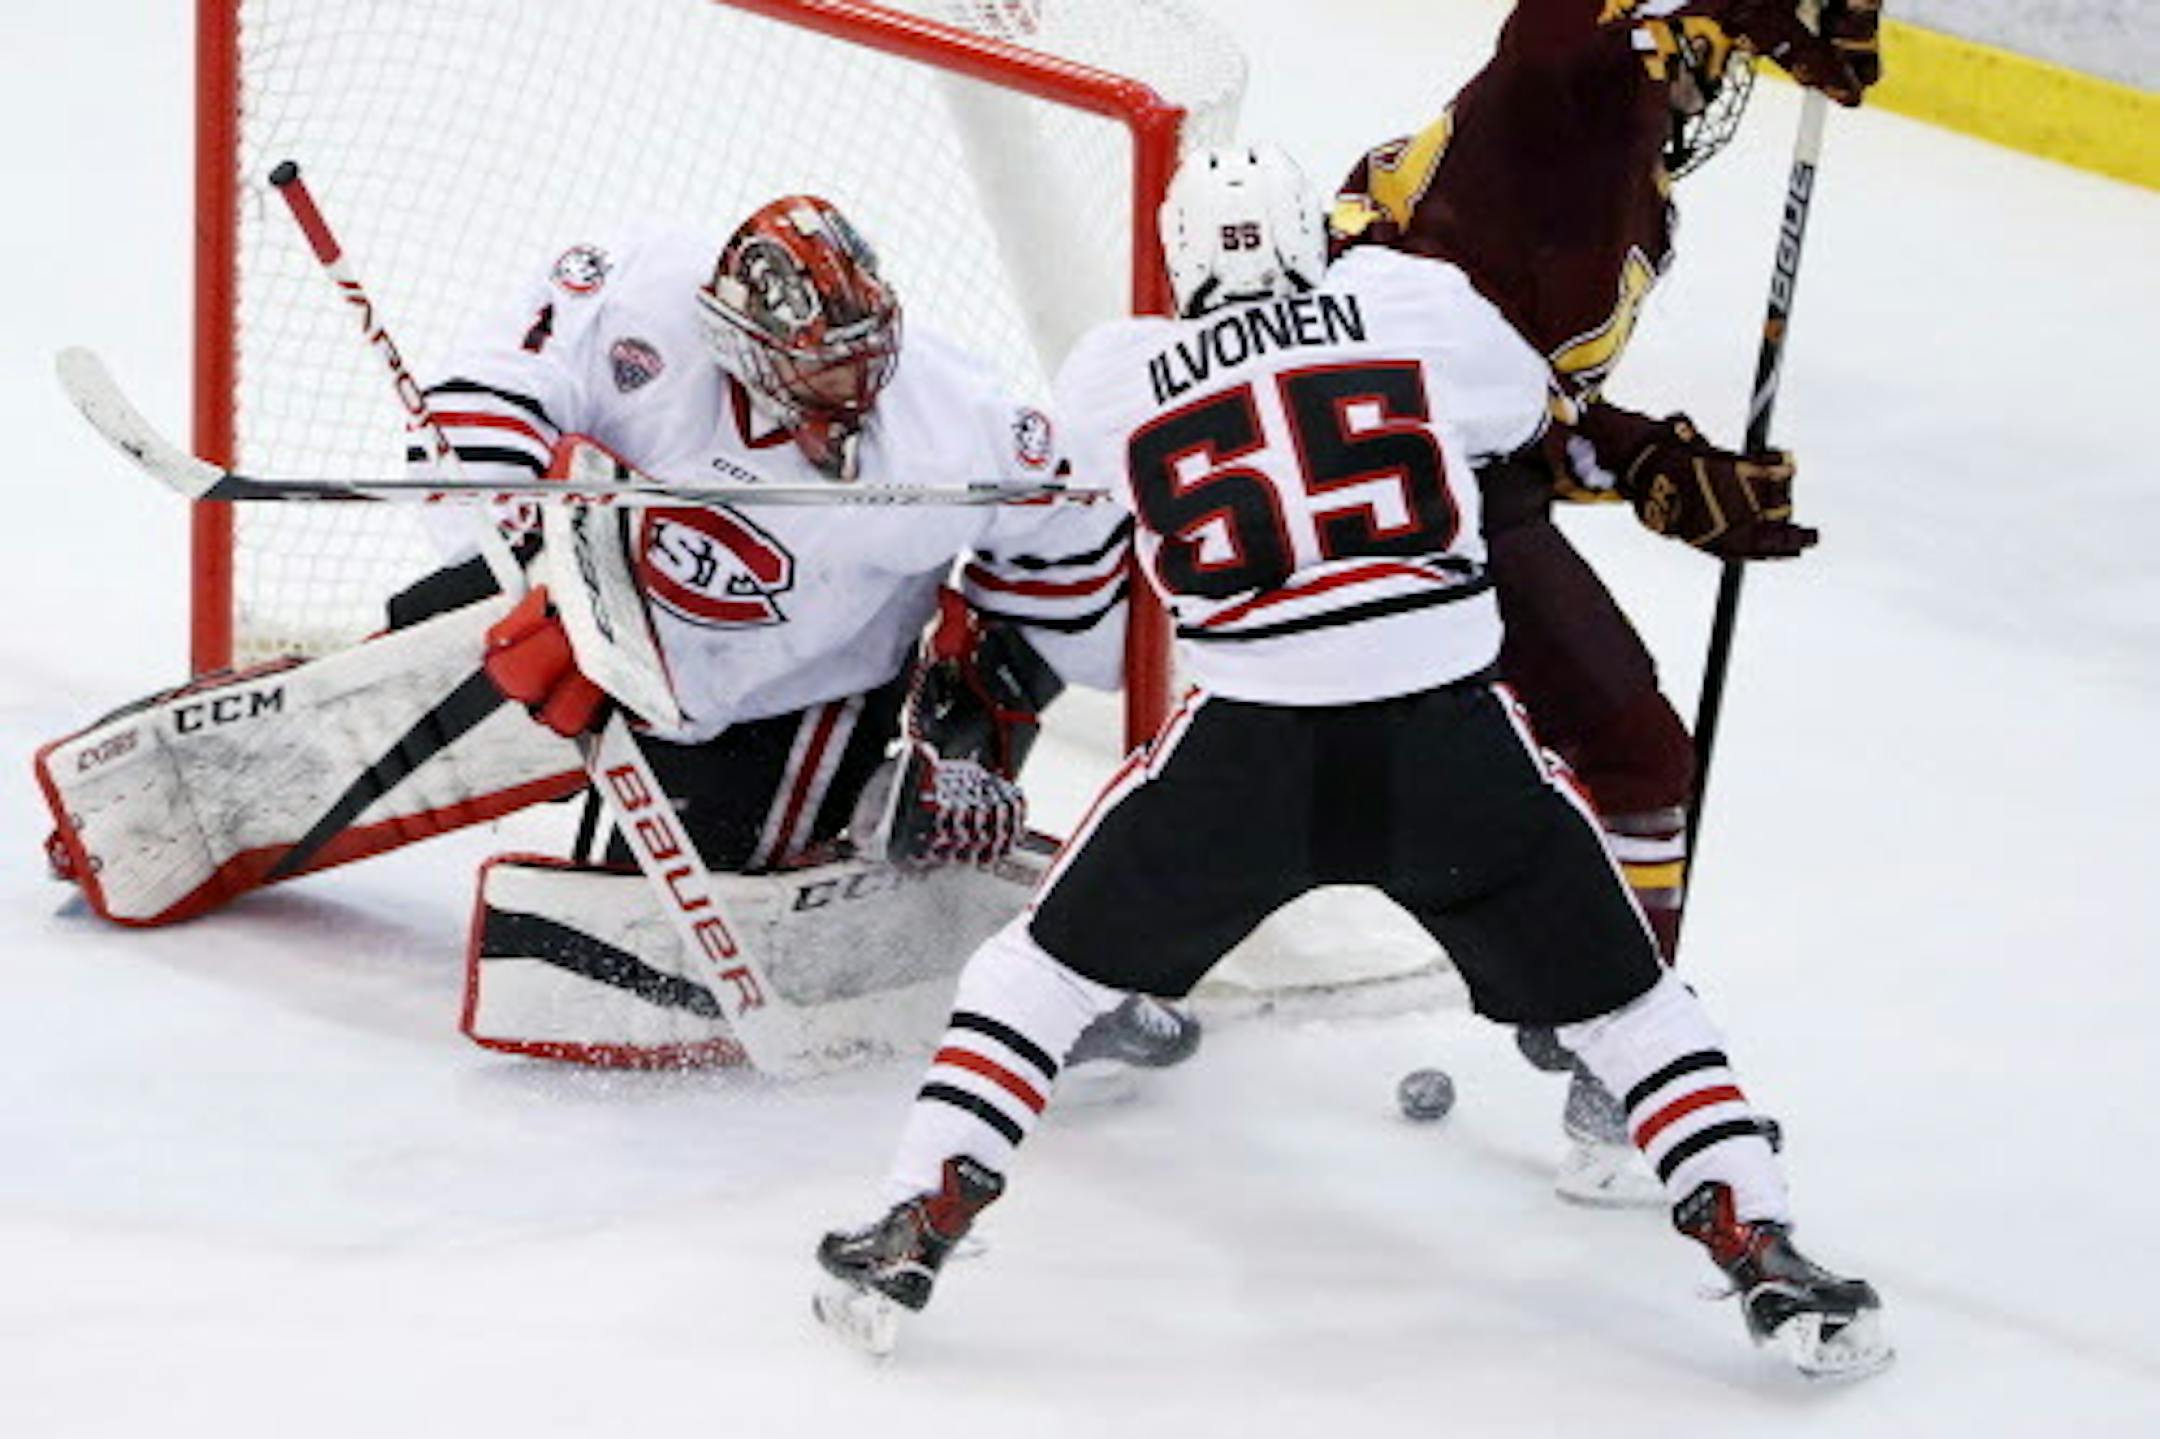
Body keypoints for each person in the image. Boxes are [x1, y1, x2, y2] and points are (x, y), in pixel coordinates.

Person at [810, 146, 1890, 1380]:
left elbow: (1078, 482)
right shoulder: (1409, 301)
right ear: (1301, 237)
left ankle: (918, 1216)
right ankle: (1762, 1245)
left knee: (1029, 979)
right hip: (1451, 744)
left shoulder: (1115, 371)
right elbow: (1519, 420)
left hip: (1246, 759)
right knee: (1634, 1002)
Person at [36, 193, 1195, 1071]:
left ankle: (984, 942)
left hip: (785, 703)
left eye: (865, 356)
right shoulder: (635, 302)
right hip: (588, 616)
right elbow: (502, 388)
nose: (856, 388)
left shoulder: (967, 428)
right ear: (740, 337)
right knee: (401, 687)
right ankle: (175, 812)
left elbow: (1066, 605)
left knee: (602, 969)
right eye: (824, 366)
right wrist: (501, 511)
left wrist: (970, 748)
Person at [1326, 0, 1883, 1198]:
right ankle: (1616, 1051)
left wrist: (1654, 468)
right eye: (1710, 63)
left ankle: (1601, 1027)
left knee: (1613, 758)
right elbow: (1549, 33)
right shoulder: (1555, 104)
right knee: (1325, 777)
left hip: (1450, 487)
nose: (1714, 92)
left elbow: (1518, 412)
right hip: (1381, 500)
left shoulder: (1613, 176)